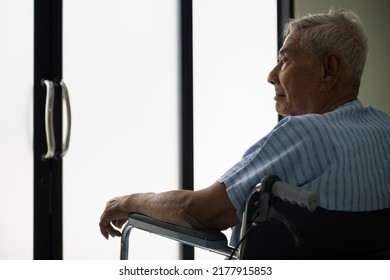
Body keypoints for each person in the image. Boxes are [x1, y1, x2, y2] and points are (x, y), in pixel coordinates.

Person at [99, 9, 390, 247]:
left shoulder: (305, 133)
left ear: (328, 70)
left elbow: (199, 211)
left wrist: (130, 202)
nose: (271, 75)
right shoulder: (384, 129)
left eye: (284, 60)